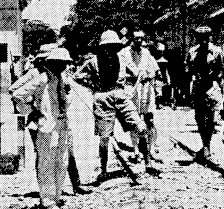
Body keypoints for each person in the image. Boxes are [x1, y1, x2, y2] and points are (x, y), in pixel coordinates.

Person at [9, 43, 90, 195]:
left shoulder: (60, 75)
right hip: (40, 120)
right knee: (44, 156)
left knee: (66, 154)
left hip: (59, 119)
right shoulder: (35, 74)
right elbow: (14, 90)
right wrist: (33, 105)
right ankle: (46, 191)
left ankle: (74, 185)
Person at [74, 30, 146, 184]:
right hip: (102, 98)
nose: (109, 50)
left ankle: (147, 163)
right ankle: (103, 170)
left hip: (121, 95)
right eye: (106, 47)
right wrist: (91, 86)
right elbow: (77, 77)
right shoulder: (93, 61)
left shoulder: (122, 59)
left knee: (141, 127)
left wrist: (133, 88)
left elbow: (138, 74)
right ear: (102, 47)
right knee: (104, 137)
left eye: (113, 46)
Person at [11, 48, 74, 209]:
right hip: (46, 128)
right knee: (46, 163)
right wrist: (33, 110)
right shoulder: (42, 79)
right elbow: (17, 94)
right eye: (59, 63)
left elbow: (66, 104)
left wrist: (67, 94)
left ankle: (57, 196)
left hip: (61, 126)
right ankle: (47, 200)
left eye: (64, 64)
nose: (62, 66)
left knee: (62, 162)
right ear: (52, 63)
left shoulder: (62, 79)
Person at [118, 30, 160, 164]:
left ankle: (151, 148)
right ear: (131, 39)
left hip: (146, 88)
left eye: (141, 38)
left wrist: (148, 76)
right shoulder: (124, 53)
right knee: (134, 120)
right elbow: (120, 72)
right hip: (131, 89)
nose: (139, 41)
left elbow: (154, 71)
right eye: (137, 38)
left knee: (150, 120)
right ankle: (136, 150)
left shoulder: (146, 53)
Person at [185, 26, 224, 160]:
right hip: (198, 87)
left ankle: (207, 146)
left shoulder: (216, 51)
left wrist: (218, 79)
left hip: (211, 87)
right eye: (200, 37)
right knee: (199, 117)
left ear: (209, 37)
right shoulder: (192, 52)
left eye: (206, 37)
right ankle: (204, 144)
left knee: (209, 118)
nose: (203, 40)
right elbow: (187, 68)